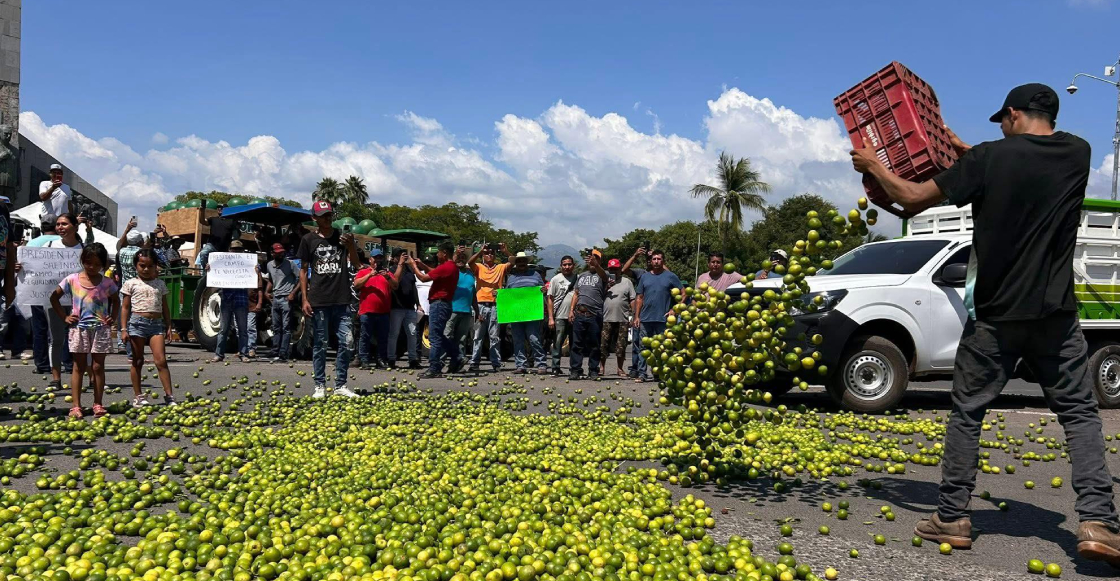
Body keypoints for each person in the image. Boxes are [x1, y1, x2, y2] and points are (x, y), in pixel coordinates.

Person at [850, 83, 1120, 562]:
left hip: (996, 314)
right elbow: (1022, 160)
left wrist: (874, 165)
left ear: (1012, 114)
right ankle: (1098, 523)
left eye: (1003, 120)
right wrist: (966, 151)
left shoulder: (988, 161)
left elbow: (911, 199)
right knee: (1079, 414)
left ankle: (952, 517)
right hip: (1055, 315)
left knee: (968, 412)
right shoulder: (1077, 153)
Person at [298, 200, 360, 398]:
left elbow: (357, 264)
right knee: (321, 343)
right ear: (314, 218)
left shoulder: (342, 238)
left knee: (347, 342)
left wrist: (351, 246)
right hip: (319, 299)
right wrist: (304, 299)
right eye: (323, 215)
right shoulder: (308, 240)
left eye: (329, 214)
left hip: (342, 299)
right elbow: (303, 270)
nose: (327, 218)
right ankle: (319, 385)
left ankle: (340, 384)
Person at [50, 243, 118, 419]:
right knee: (78, 366)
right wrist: (64, 317)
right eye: (89, 263)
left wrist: (113, 317)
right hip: (79, 328)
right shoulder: (72, 279)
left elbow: (116, 300)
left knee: (98, 366)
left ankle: (98, 403)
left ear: (103, 265)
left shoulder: (107, 282)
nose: (92, 267)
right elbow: (54, 297)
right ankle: (76, 406)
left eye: (97, 264)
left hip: (101, 329)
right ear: (83, 261)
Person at [40, 214, 93, 390]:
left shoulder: (83, 249)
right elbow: (36, 268)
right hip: (54, 298)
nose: (60, 227)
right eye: (58, 224)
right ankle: (56, 378)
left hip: (80, 300)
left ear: (75, 226)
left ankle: (92, 376)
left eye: (64, 224)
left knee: (84, 338)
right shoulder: (49, 246)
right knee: (56, 339)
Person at [120, 249, 175, 407]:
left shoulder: (160, 284)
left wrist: (169, 325)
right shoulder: (131, 283)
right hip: (137, 324)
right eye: (142, 265)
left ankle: (169, 395)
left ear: (156, 266)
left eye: (150, 266)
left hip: (156, 325)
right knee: (137, 361)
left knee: (161, 361)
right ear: (136, 266)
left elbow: (165, 307)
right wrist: (124, 329)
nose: (146, 269)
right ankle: (138, 395)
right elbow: (125, 308)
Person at [411, 242, 462, 378]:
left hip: (439, 304)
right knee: (438, 334)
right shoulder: (451, 267)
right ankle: (457, 356)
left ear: (444, 253)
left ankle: (434, 367)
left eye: (438, 252)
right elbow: (433, 273)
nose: (437, 255)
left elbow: (422, 278)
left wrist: (414, 266)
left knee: (434, 337)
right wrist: (422, 265)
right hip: (444, 304)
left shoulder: (446, 267)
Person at [632, 249, 682, 382]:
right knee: (643, 347)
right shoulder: (645, 276)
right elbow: (639, 297)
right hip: (645, 318)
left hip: (663, 319)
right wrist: (637, 316)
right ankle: (642, 374)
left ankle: (659, 373)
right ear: (650, 261)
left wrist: (674, 310)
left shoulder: (670, 276)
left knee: (661, 347)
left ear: (663, 261)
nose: (656, 261)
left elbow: (684, 293)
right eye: (654, 259)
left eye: (659, 259)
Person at [209, 240, 259, 363]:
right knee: (223, 329)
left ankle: (243, 353)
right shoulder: (223, 262)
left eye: (238, 249)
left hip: (241, 300)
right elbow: (214, 274)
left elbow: (256, 276)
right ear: (230, 250)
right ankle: (219, 354)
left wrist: (256, 271)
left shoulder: (249, 262)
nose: (236, 251)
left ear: (242, 251)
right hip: (226, 299)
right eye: (234, 249)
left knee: (243, 329)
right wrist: (210, 269)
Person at [468, 242, 513, 372]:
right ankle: (474, 362)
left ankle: (496, 362)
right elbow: (470, 262)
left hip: (495, 305)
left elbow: (513, 262)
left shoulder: (500, 267)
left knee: (494, 336)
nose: (489, 255)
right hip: (480, 304)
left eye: (491, 253)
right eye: (487, 253)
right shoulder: (479, 267)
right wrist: (479, 251)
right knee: (478, 336)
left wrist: (505, 251)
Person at [354, 249, 400, 369]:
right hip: (367, 311)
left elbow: (395, 286)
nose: (378, 260)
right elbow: (356, 285)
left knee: (382, 338)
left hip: (383, 312)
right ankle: (364, 360)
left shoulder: (387, 273)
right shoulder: (364, 271)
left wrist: (388, 277)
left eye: (380, 258)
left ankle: (381, 360)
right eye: (375, 258)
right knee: (365, 337)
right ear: (370, 260)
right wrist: (370, 274)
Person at [568, 250, 608, 380]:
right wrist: (571, 310)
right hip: (579, 313)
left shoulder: (603, 274)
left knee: (595, 344)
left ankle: (593, 370)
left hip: (595, 314)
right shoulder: (581, 276)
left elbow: (605, 277)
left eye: (596, 259)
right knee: (576, 344)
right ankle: (575, 369)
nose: (592, 260)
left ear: (600, 261)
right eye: (591, 258)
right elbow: (576, 294)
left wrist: (596, 265)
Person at [505, 251, 548, 374]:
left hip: (532, 314)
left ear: (527, 263)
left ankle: (541, 364)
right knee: (517, 340)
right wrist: (499, 295)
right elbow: (507, 295)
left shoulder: (535, 275)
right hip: (516, 314)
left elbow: (542, 290)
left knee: (534, 339)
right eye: (519, 261)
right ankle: (521, 365)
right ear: (516, 264)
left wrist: (543, 290)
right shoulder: (511, 278)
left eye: (524, 261)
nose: (521, 263)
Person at [600, 258, 636, 377]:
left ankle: (620, 368)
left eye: (616, 269)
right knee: (603, 344)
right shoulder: (604, 281)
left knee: (621, 345)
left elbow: (632, 299)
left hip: (623, 318)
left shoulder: (627, 282)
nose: (614, 272)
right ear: (608, 269)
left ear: (620, 269)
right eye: (611, 269)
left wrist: (634, 315)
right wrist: (606, 287)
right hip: (606, 318)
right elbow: (598, 296)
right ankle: (601, 368)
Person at [386, 249, 422, 369]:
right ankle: (391, 358)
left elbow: (414, 287)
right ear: (395, 258)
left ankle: (413, 359)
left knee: (412, 334)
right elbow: (395, 283)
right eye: (401, 256)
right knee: (394, 333)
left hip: (410, 307)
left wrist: (418, 303)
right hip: (396, 307)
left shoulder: (409, 270)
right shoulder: (392, 270)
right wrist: (400, 264)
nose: (404, 258)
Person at [264, 243, 298, 362]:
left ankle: (283, 352)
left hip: (286, 298)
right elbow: (271, 280)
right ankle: (275, 350)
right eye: (278, 253)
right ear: (272, 253)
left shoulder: (290, 264)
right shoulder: (269, 265)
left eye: (282, 252)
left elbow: (300, 279)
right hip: (275, 298)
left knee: (286, 327)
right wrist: (267, 291)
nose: (281, 254)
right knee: (276, 326)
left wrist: (292, 293)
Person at [546, 255, 577, 376]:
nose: (567, 267)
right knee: (557, 342)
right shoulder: (555, 279)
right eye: (564, 264)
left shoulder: (577, 278)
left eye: (569, 264)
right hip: (559, 316)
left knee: (574, 343)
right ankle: (555, 367)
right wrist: (550, 318)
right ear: (561, 266)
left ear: (573, 265)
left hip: (574, 316)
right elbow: (550, 299)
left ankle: (574, 368)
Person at [446, 251, 477, 365]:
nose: (461, 260)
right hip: (451, 310)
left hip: (466, 311)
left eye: (463, 258)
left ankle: (457, 362)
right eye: (458, 257)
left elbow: (473, 293)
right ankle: (439, 362)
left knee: (462, 339)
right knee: (446, 336)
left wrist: (477, 311)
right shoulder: (450, 271)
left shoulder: (470, 274)